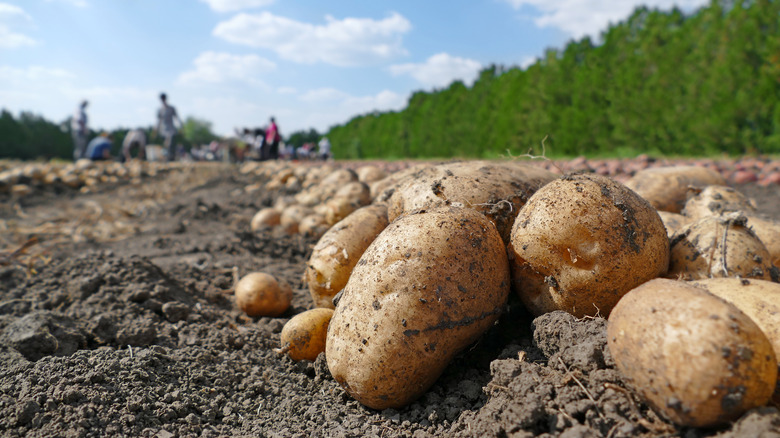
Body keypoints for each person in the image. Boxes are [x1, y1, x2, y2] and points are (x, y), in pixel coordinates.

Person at [155, 93, 182, 162]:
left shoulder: (171, 108)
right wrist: (155, 130)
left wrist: (181, 127)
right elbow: (158, 121)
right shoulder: (160, 110)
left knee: (170, 143)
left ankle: (171, 157)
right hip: (163, 129)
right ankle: (166, 157)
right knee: (165, 144)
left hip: (171, 128)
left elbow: (176, 117)